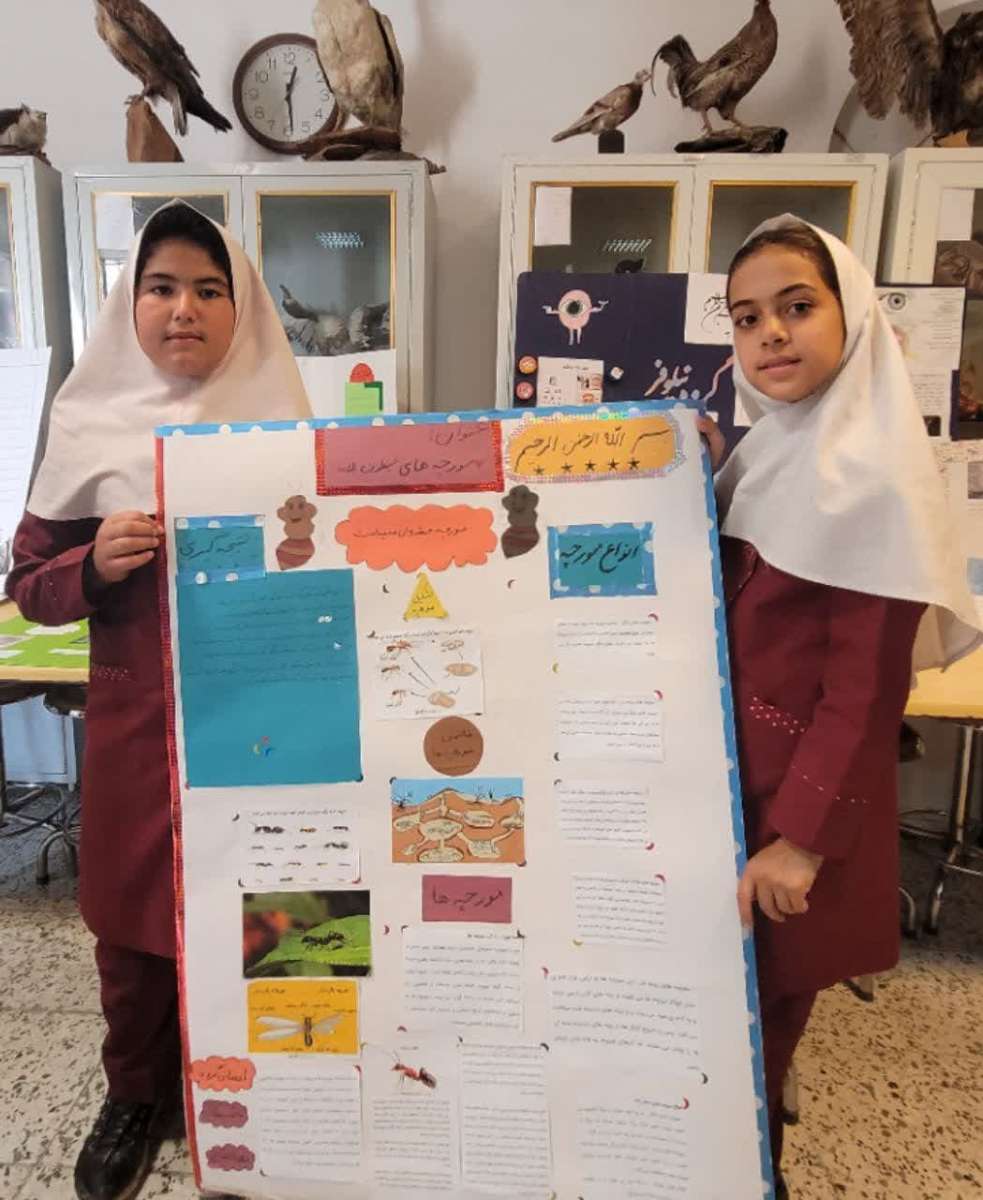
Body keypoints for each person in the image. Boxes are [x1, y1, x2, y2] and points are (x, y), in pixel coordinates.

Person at [5, 201, 311, 1200]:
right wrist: (92, 564)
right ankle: (135, 1093)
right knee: (132, 922)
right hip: (140, 726)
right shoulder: (89, 425)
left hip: (274, 721)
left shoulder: (291, 425)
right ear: (129, 302)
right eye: (162, 286)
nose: (186, 309)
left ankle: (289, 1080)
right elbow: (28, 585)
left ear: (241, 308)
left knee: (282, 903)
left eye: (210, 290)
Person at [698, 214, 981, 1198]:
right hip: (728, 790)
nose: (769, 333)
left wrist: (801, 843)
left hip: (790, 811)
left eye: (796, 306)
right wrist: (689, 465)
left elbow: (865, 692)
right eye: (745, 318)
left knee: (756, 1038)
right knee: (712, 1025)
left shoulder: (874, 480)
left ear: (852, 314)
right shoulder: (774, 450)